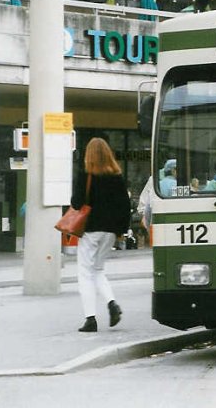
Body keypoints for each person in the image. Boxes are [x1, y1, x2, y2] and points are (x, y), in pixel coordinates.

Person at [71, 138, 130, 332]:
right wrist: (120, 231)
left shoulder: (85, 175)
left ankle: (90, 319)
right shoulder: (117, 176)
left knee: (85, 273)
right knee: (98, 270)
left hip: (91, 230)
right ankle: (112, 303)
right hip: (110, 232)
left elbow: (77, 203)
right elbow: (125, 207)